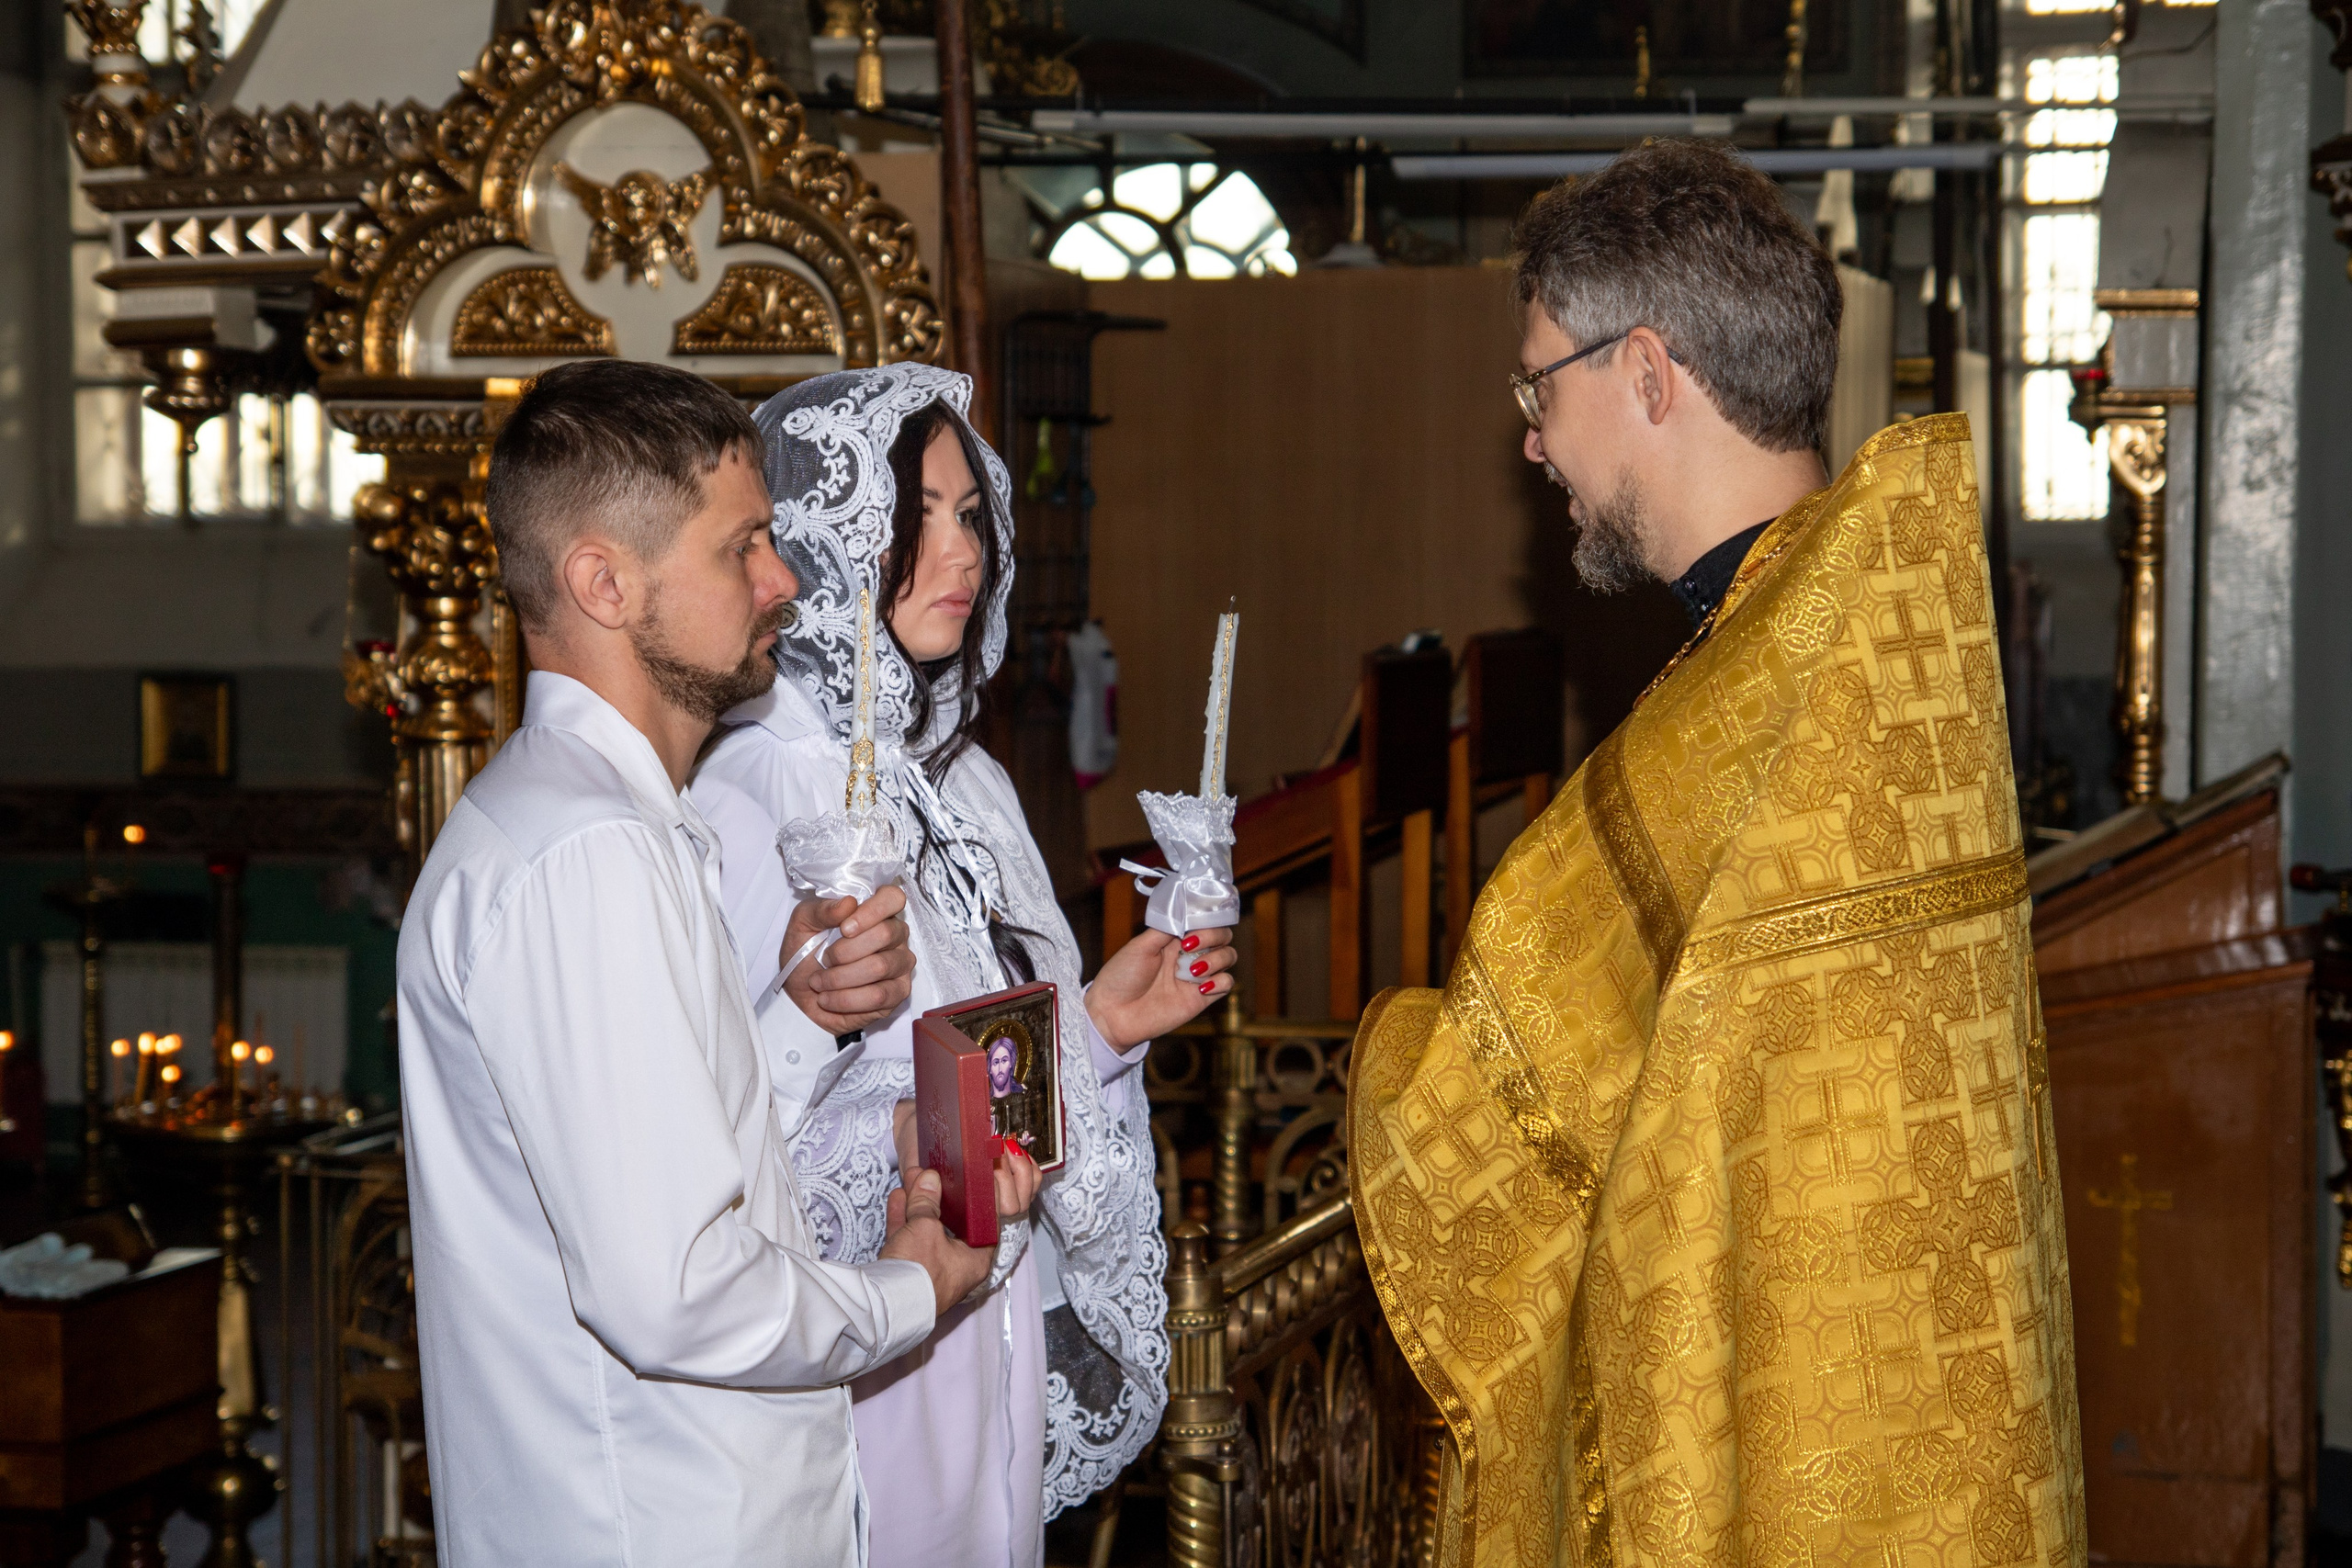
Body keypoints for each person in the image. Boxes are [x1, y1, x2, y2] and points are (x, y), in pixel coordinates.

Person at [1349, 140, 2086, 1567]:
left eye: (1538, 386)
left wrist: (1391, 1064)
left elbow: (1499, 1100)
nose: (1531, 440)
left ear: (1645, 371)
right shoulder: (1871, 640)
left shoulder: (1752, 713)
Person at [399, 359, 996, 1566]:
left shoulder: (611, 820)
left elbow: (658, 1171)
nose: (785, 580)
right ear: (603, 582)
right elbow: (673, 1288)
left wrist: (798, 1019)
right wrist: (912, 1290)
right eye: (743, 550)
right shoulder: (588, 852)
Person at [690, 364, 1233, 1568]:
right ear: (821, 544)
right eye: (911, 518)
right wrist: (907, 1139)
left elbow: (979, 1062)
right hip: (861, 1344)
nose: (961, 551)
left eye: (968, 513)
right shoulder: (752, 796)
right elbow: (708, 1159)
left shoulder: (964, 785)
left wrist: (1099, 1026)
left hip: (983, 1312)